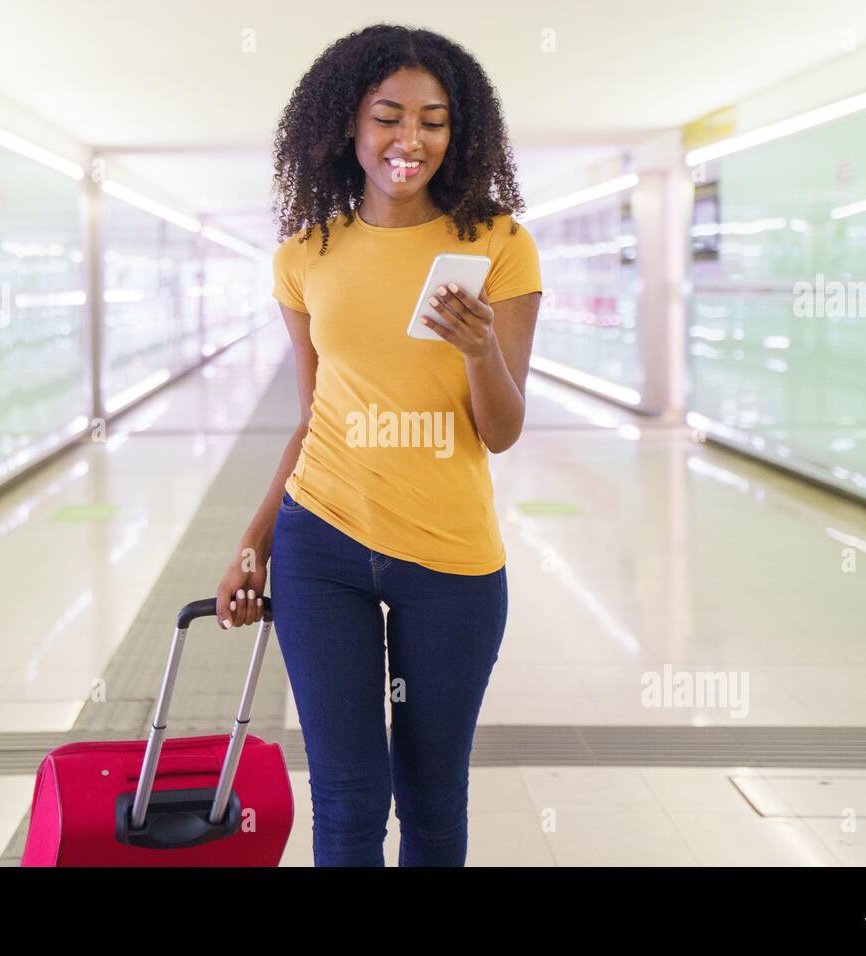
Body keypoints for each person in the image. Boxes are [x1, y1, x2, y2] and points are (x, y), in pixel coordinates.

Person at [215, 23, 542, 867]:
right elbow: (311, 414)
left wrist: (478, 351)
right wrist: (252, 544)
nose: (411, 140)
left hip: (452, 559)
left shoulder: (498, 245)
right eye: (388, 116)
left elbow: (502, 433)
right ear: (347, 127)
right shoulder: (305, 256)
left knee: (433, 800)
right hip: (320, 544)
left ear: (457, 130)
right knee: (348, 800)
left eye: (433, 119)